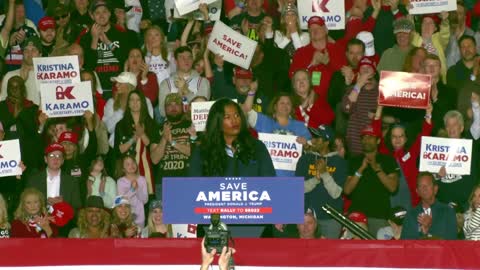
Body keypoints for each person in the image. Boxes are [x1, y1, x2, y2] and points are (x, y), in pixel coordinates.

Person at [188, 98, 275, 237]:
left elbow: (271, 182)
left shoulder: (257, 147)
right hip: (214, 227)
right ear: (217, 122)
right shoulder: (203, 151)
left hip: (255, 226)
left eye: (237, 115)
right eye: (227, 117)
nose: (235, 121)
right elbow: (191, 187)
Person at [373, 104, 433, 209]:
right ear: (390, 138)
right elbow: (376, 134)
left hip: (412, 202)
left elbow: (424, 135)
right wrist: (379, 109)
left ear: (405, 139)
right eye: (394, 137)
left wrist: (428, 113)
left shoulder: (411, 153)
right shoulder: (385, 154)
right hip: (389, 202)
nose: (397, 139)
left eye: (401, 136)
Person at [344, 124, 400, 235]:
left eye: (370, 137)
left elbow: (393, 187)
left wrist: (377, 169)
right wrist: (360, 170)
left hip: (379, 216)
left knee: (379, 251)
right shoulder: (354, 161)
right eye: (363, 137)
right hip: (357, 216)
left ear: (378, 141)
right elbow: (347, 190)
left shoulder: (388, 160)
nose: (366, 140)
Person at [296, 125, 346, 239]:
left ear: (326, 142)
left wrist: (324, 173)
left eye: (317, 138)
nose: (313, 141)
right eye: (313, 137)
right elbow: (297, 189)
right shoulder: (305, 159)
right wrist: (315, 180)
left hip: (330, 219)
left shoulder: (340, 162)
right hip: (306, 218)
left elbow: (336, 193)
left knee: (329, 255)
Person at [244, 92, 311, 176]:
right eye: (282, 103)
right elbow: (246, 111)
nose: (285, 106)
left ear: (292, 107)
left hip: (291, 179)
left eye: (288, 103)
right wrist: (252, 92)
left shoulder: (300, 126)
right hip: (266, 176)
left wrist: (306, 145)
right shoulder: (264, 121)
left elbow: (313, 150)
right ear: (275, 106)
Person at [114, 90, 159, 195]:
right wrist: (133, 138)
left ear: (143, 103)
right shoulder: (121, 125)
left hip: (147, 169)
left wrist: (142, 134)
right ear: (128, 103)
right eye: (132, 100)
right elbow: (119, 150)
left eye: (138, 100)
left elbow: (153, 148)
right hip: (128, 170)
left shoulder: (151, 123)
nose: (135, 103)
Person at [151, 93, 192, 200]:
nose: (173, 107)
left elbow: (194, 152)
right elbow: (154, 159)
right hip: (164, 183)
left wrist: (172, 142)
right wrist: (164, 138)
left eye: (176, 104)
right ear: (165, 109)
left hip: (188, 180)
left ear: (182, 107)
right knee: (166, 217)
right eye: (169, 105)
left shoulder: (191, 126)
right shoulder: (158, 128)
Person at [158, 46, 210, 119]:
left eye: (189, 57)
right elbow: (162, 111)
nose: (186, 60)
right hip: (173, 126)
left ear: (192, 60)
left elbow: (202, 109)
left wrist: (186, 91)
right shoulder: (166, 83)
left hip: (195, 126)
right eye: (182, 57)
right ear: (176, 61)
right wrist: (179, 94)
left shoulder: (203, 82)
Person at [401, 172, 457, 240]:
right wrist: (424, 233)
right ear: (417, 191)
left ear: (435, 189)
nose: (424, 188)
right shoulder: (411, 215)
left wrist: (430, 228)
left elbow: (451, 241)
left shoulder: (448, 211)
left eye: (427, 185)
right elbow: (406, 244)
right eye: (421, 186)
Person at [342, 56, 380, 155]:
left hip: (375, 148)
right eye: (363, 68)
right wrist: (358, 85)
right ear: (358, 73)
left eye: (369, 67)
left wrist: (377, 116)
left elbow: (390, 118)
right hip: (355, 146)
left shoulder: (381, 91)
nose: (366, 70)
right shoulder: (352, 90)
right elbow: (346, 109)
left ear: (374, 72)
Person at [1, 36, 41, 105]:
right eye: (26, 50)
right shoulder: (10, 75)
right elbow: (3, 103)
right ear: (22, 54)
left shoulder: (49, 76)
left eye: (33, 50)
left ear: (40, 54)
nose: (29, 53)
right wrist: (21, 81)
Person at [116, 155, 148, 228]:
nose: (131, 165)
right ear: (123, 169)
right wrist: (132, 190)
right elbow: (120, 201)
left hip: (140, 217)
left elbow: (145, 200)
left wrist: (137, 189)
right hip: (125, 217)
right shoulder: (120, 181)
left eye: (133, 162)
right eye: (128, 164)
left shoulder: (142, 179)